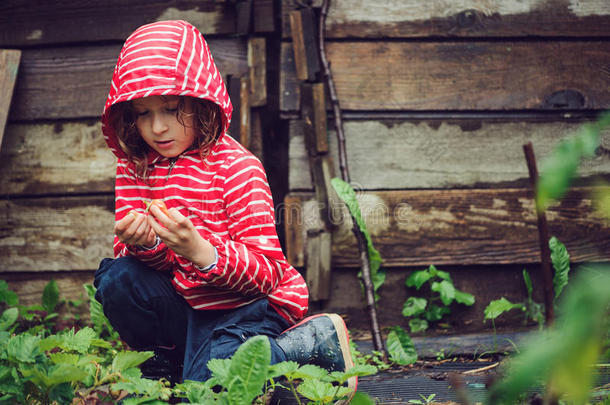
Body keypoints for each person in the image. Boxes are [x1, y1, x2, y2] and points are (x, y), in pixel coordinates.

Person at [93, 19, 356, 399]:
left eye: (170, 108)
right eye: (143, 113)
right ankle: (166, 366)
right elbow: (138, 271)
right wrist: (145, 245)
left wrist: (200, 250)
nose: (158, 127)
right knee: (118, 278)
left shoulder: (237, 168)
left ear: (201, 101)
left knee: (214, 391)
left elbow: (266, 275)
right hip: (185, 305)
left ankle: (303, 348)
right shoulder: (136, 167)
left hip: (244, 308)